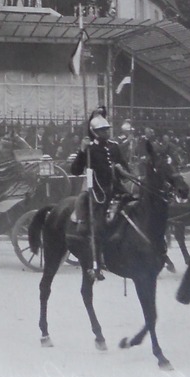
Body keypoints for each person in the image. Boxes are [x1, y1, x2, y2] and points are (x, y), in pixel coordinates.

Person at [67, 113, 134, 280]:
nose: (107, 132)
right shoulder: (89, 149)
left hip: (116, 188)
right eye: (102, 130)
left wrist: (125, 173)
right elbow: (75, 171)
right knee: (97, 226)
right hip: (98, 191)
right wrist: (82, 151)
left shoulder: (114, 146)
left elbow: (125, 167)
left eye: (107, 129)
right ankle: (95, 263)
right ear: (95, 133)